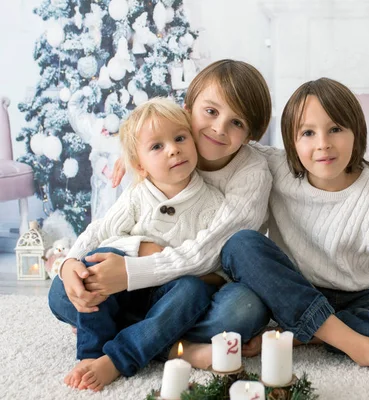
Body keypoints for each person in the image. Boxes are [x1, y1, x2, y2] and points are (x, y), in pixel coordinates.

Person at [222, 78, 369, 382]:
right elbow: (227, 149)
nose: (323, 143)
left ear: (356, 133)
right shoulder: (273, 167)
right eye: (308, 133)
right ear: (291, 141)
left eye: (335, 129)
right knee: (241, 244)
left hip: (361, 296)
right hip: (297, 291)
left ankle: (314, 332)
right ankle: (364, 349)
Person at [52, 60, 273, 377]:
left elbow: (211, 257)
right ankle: (174, 347)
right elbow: (103, 228)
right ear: (188, 110)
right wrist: (72, 261)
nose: (219, 128)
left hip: (186, 288)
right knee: (66, 289)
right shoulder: (148, 178)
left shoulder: (236, 184)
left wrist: (133, 267)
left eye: (236, 123)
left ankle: (124, 346)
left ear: (250, 134)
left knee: (243, 309)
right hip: (134, 289)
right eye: (210, 112)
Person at [49, 97, 225, 391]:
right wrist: (70, 265)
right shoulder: (137, 195)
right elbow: (98, 231)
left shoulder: (212, 204)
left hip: (167, 297)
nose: (173, 149)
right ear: (140, 166)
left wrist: (156, 256)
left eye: (180, 138)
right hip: (120, 293)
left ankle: (117, 357)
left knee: (194, 291)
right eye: (157, 146)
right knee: (75, 278)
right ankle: (95, 351)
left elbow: (214, 267)